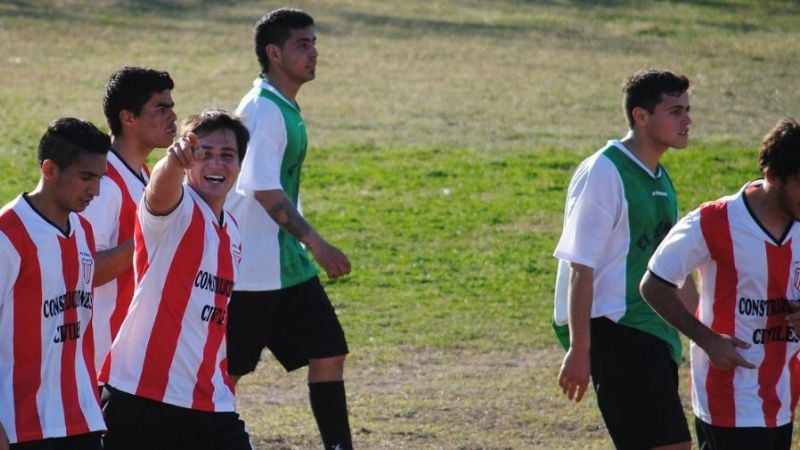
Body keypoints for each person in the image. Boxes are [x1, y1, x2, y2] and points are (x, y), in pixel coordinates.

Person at [225, 8, 353, 449]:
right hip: (252, 272)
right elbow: (263, 189)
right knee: (226, 372)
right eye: (303, 44)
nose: (314, 52)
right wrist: (316, 242)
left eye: (314, 42)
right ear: (273, 52)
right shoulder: (263, 110)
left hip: (286, 266)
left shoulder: (281, 106)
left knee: (329, 352)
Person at [552, 68, 693, 449]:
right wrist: (580, 349)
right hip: (616, 330)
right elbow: (581, 265)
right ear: (640, 116)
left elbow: (672, 267)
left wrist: (710, 332)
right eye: (675, 111)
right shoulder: (605, 170)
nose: (687, 120)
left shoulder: (660, 177)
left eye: (687, 110)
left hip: (653, 333)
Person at [641, 118, 800, 450]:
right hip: (727, 400)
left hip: (784, 396)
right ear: (772, 177)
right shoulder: (714, 221)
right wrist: (708, 340)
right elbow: (654, 284)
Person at [99, 109, 251, 450]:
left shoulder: (234, 233)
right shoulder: (178, 211)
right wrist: (172, 163)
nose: (216, 164)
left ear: (240, 164)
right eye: (203, 154)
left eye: (227, 156)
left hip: (209, 400)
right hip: (142, 397)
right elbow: (158, 193)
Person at [0, 118, 109, 449]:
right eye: (86, 177)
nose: (96, 190)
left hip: (82, 419)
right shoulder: (8, 236)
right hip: (21, 427)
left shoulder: (84, 231)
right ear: (49, 169)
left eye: (100, 178)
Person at [82, 66, 176, 379]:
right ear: (128, 117)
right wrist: (148, 235)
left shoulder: (145, 176)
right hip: (101, 360)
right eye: (161, 108)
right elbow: (83, 270)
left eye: (172, 106)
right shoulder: (103, 186)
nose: (172, 116)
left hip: (134, 355)